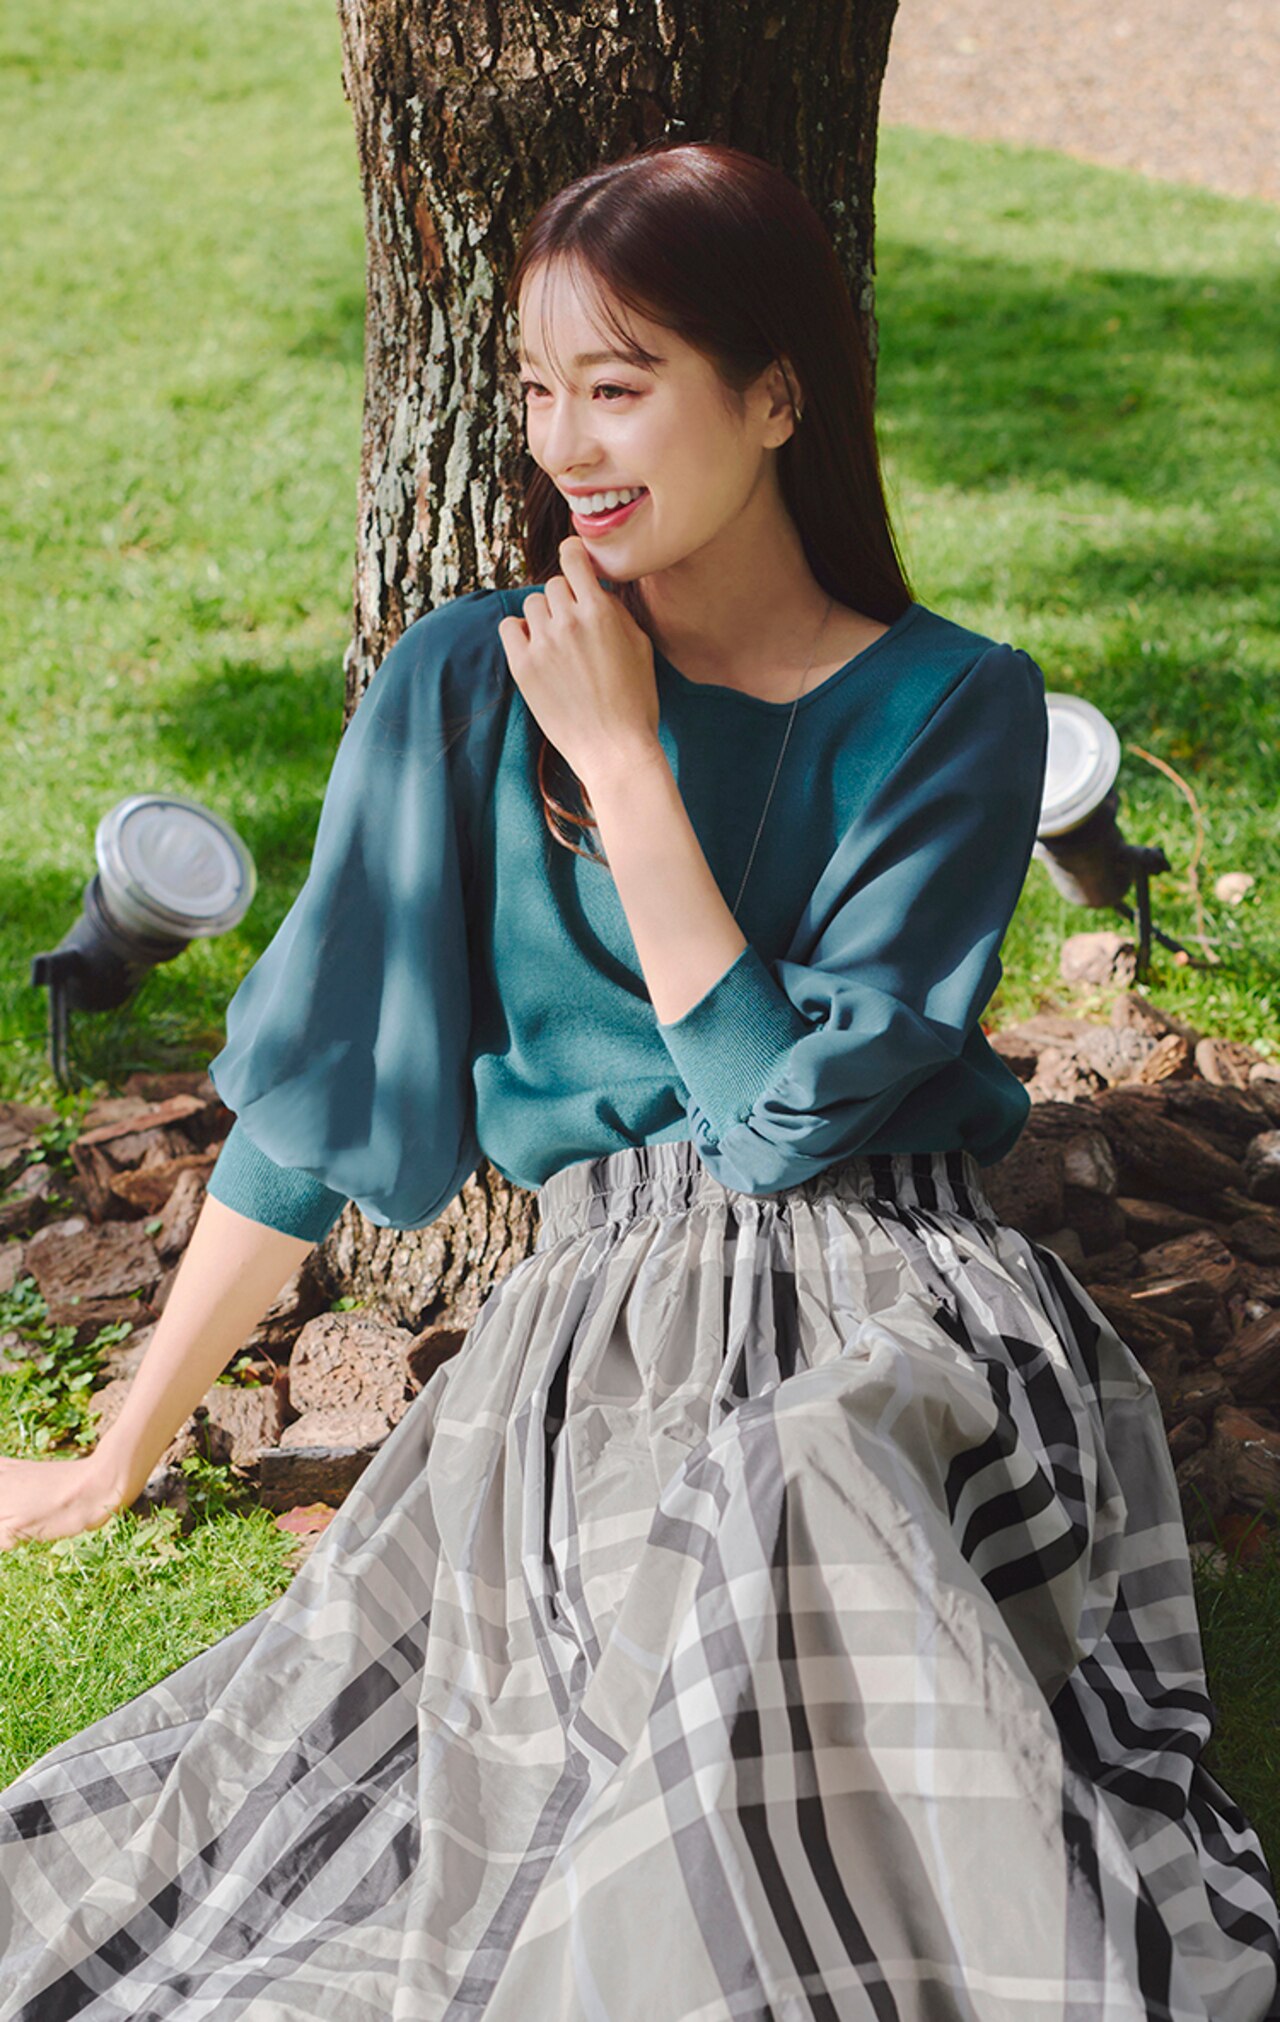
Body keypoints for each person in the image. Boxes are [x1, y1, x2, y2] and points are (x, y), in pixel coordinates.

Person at [1, 138, 1277, 2022]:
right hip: (602, 1334)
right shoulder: (463, 681)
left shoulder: (954, 706)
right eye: (537, 390)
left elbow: (772, 1124)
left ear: (774, 399)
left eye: (619, 385)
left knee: (800, 1470)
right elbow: (317, 1101)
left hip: (906, 1304)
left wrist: (625, 765)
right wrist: (121, 1449)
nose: (566, 445)